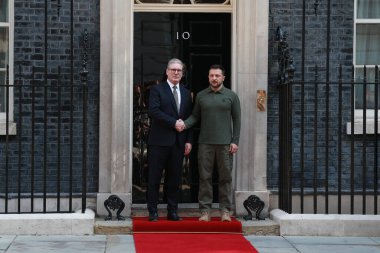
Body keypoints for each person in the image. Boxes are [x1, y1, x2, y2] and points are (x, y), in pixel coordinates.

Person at [176, 64, 241, 222]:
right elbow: (195, 116)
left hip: (225, 144)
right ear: (208, 77)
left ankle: (225, 211)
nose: (214, 78)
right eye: (211, 75)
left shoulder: (231, 96)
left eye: (217, 76)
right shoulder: (201, 96)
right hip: (205, 144)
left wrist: (235, 141)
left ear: (223, 78)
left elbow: (237, 119)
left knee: (225, 178)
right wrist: (183, 124)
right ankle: (205, 211)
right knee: (205, 178)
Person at [146, 58, 193, 221]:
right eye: (173, 69)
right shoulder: (157, 90)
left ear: (182, 73)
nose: (176, 72)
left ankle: (172, 211)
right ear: (167, 71)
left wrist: (189, 140)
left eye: (179, 70)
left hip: (179, 143)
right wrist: (174, 122)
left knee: (174, 179)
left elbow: (190, 118)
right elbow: (153, 111)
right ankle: (153, 211)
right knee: (154, 178)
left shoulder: (187, 93)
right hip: (159, 142)